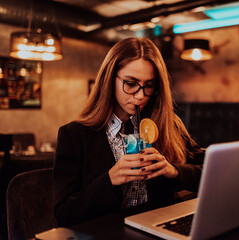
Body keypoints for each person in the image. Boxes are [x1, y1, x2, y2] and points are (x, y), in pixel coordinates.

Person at [53, 37, 204, 227]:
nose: (140, 96)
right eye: (130, 83)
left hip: (157, 230)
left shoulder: (168, 125)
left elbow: (210, 171)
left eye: (149, 85)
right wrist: (110, 180)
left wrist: (174, 171)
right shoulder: (74, 135)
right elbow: (64, 214)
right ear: (110, 79)